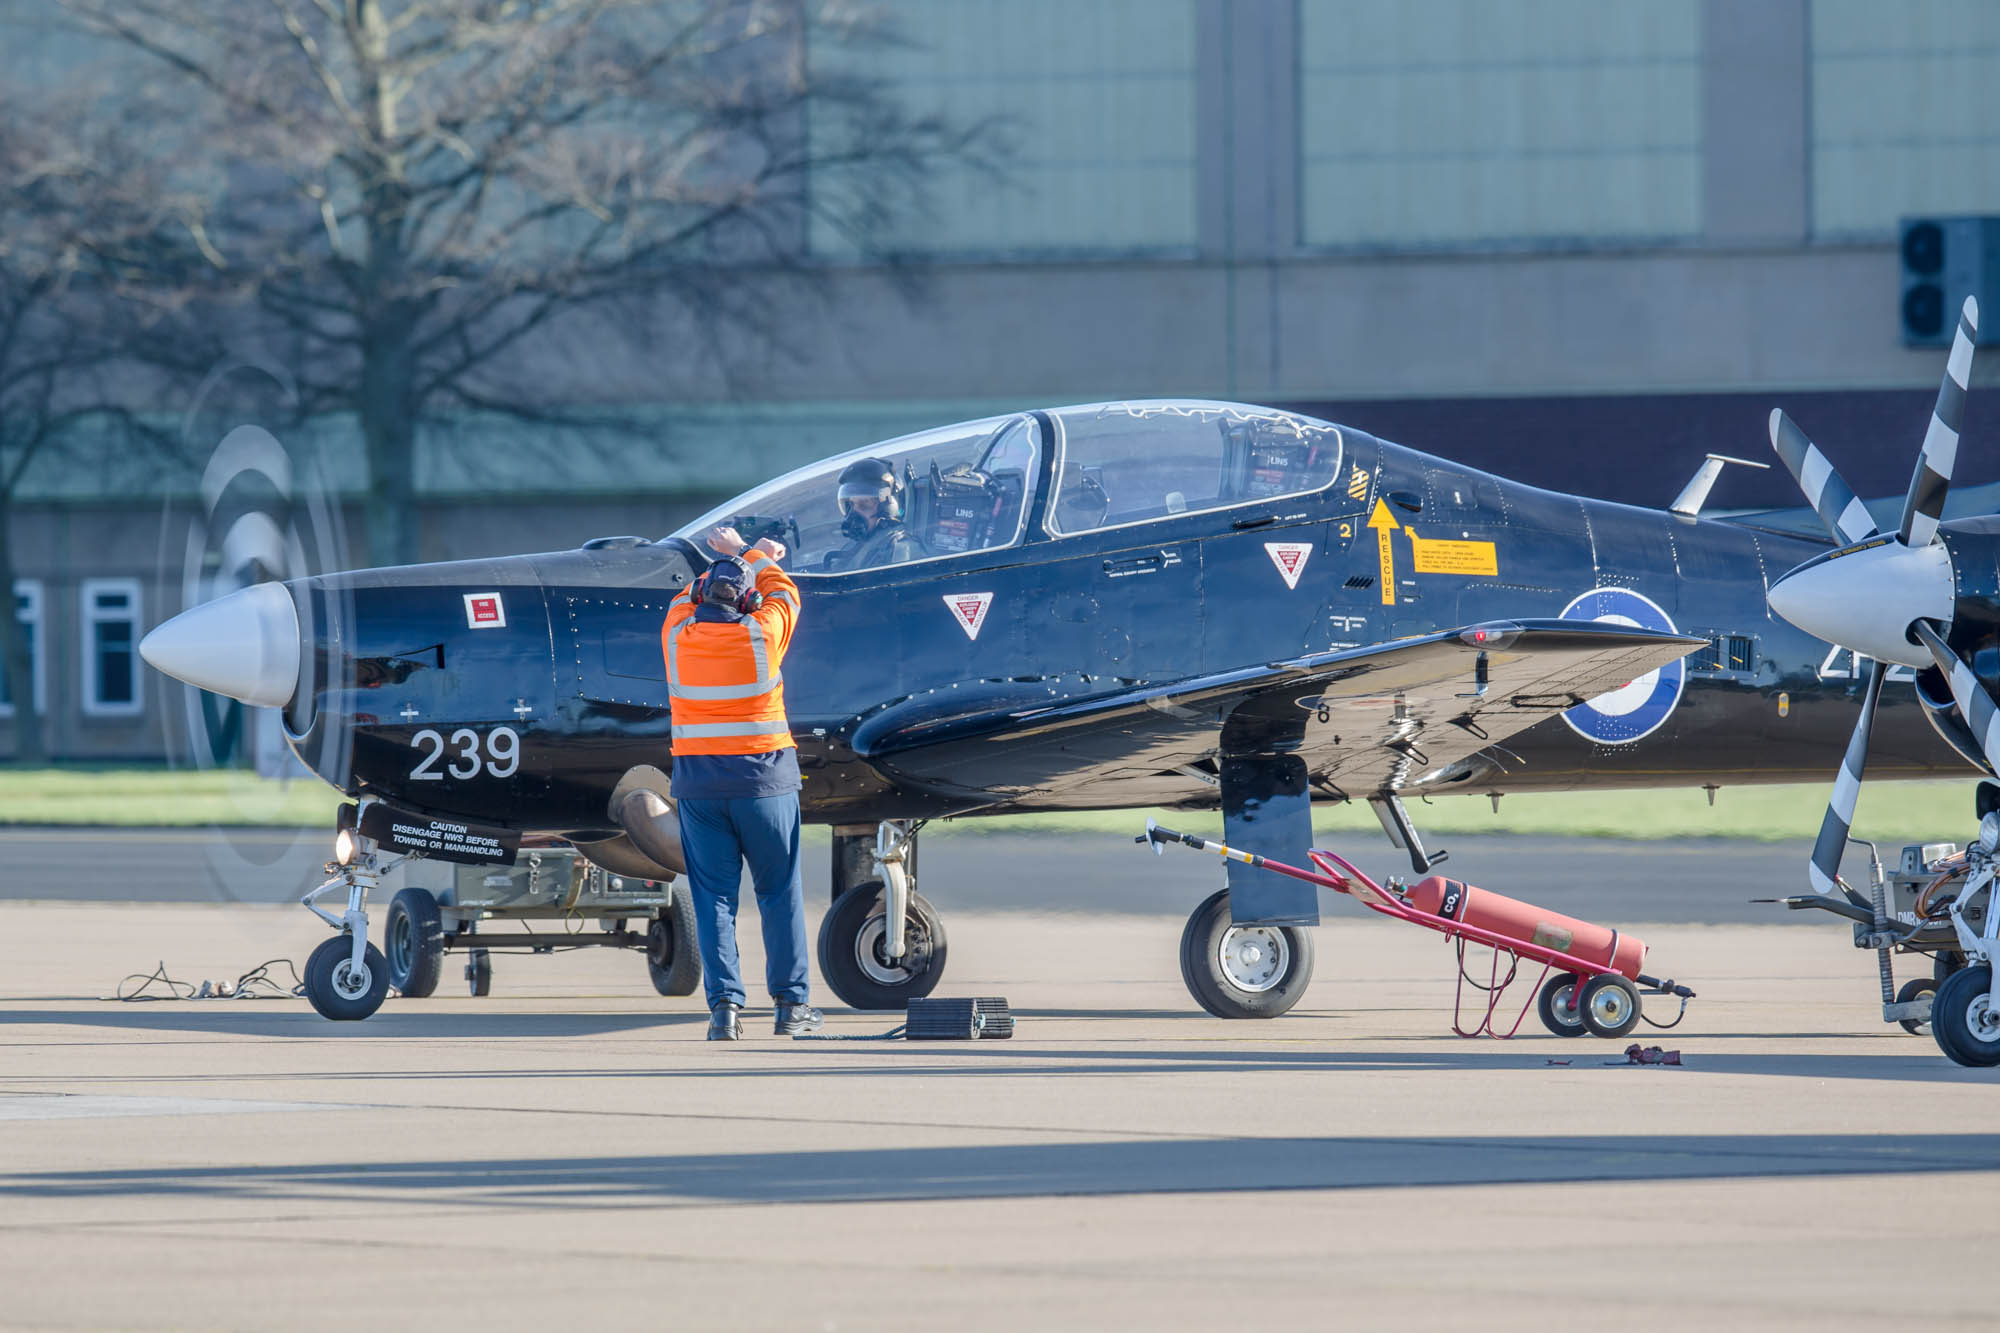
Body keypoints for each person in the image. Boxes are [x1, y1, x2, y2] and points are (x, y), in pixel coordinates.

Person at [662, 524, 820, 1040]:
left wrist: (722, 565)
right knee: (778, 893)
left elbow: (686, 598)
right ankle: (790, 1007)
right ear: (749, 601)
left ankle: (724, 1011)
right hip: (766, 786)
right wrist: (752, 554)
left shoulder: (676, 636)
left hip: (700, 790)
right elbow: (784, 591)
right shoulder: (764, 633)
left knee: (713, 900)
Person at [823, 456, 923, 570]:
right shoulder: (860, 544)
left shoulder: (901, 549)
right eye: (851, 505)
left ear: (887, 509)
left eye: (864, 505)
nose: (854, 514)